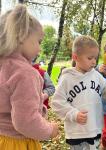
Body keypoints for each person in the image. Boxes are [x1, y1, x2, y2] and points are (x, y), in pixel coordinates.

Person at [0, 5, 59, 150]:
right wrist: (49, 130)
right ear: (21, 36)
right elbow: (25, 121)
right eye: (39, 41)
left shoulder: (4, 67)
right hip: (17, 143)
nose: (40, 49)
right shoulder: (25, 73)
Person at [52, 35, 106, 150]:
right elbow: (56, 102)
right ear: (75, 57)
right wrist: (73, 114)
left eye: (95, 58)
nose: (94, 62)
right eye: (90, 58)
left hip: (95, 129)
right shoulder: (67, 78)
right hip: (77, 133)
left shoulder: (95, 75)